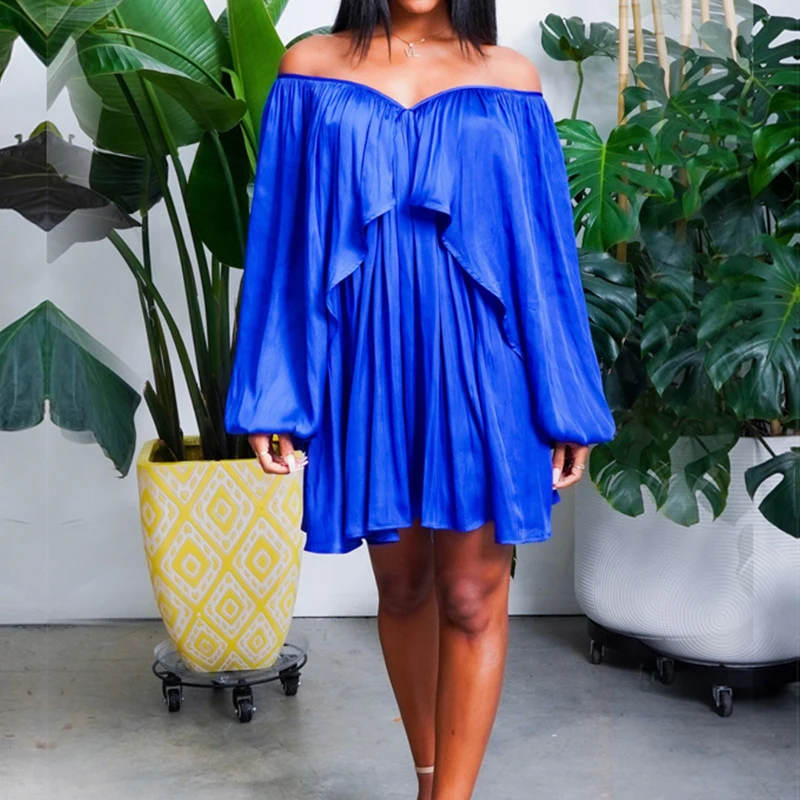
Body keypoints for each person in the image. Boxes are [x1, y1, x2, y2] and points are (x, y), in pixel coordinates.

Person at [224, 1, 616, 798]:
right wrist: (272, 392)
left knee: (470, 595)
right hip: (368, 365)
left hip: (484, 365)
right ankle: (428, 778)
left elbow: (543, 250)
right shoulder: (310, 69)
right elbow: (283, 240)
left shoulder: (508, 79)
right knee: (403, 588)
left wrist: (566, 396)